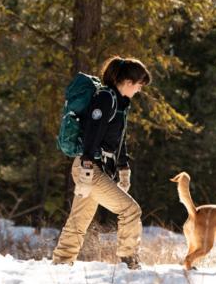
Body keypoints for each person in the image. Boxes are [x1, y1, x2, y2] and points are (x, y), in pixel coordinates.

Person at [52, 56, 151, 269]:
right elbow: (92, 132)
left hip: (94, 167)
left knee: (79, 220)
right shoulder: (106, 98)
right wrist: (87, 165)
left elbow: (118, 140)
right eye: (139, 84)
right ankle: (129, 261)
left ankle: (61, 262)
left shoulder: (120, 103)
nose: (139, 90)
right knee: (130, 210)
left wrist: (124, 167)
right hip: (89, 167)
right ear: (127, 81)